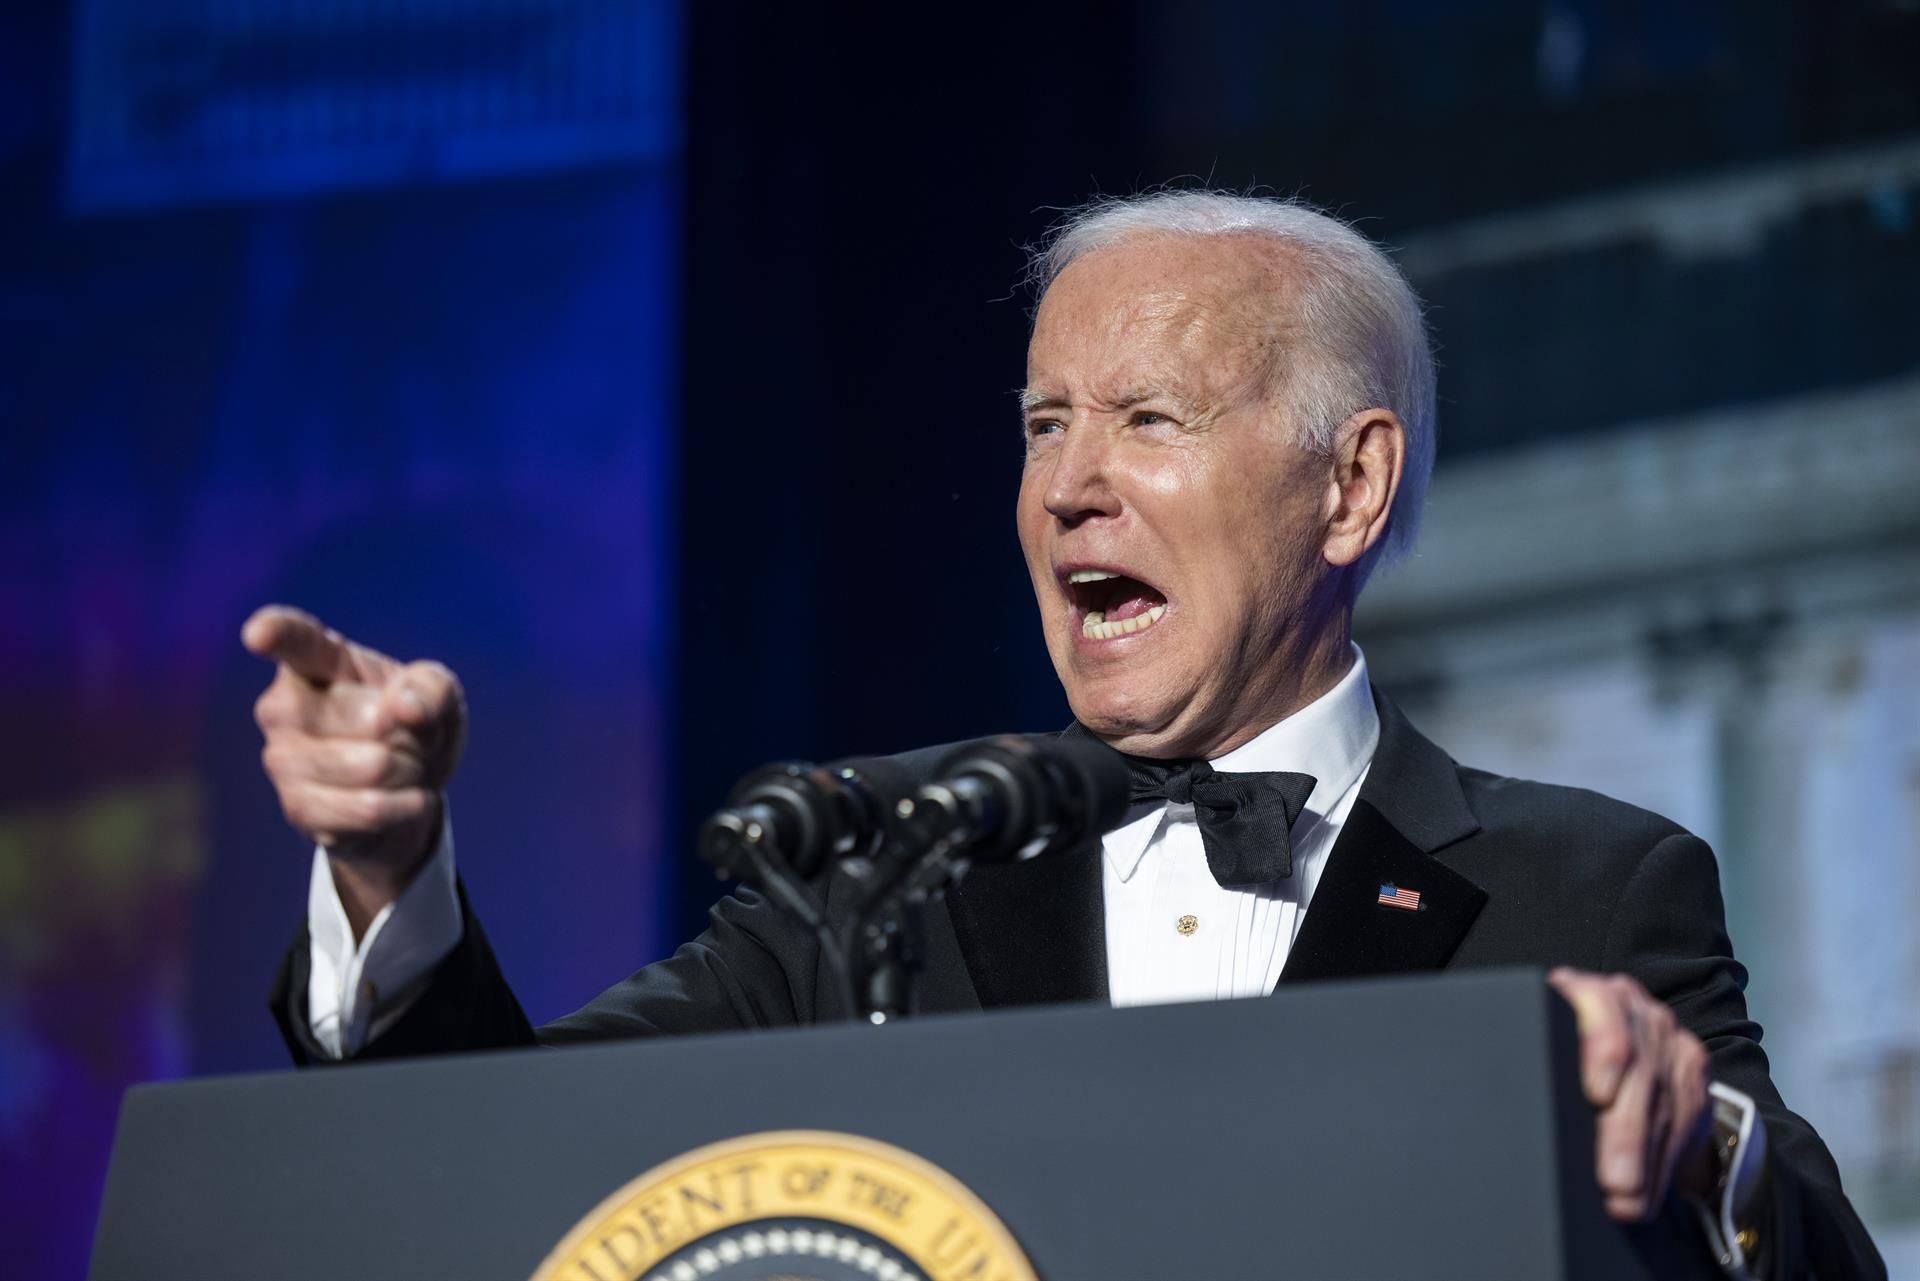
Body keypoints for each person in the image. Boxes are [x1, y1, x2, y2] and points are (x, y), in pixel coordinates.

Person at [244, 191, 1883, 1280]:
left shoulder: (1585, 882)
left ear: (1351, 484)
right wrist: (388, 874)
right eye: (1044, 423)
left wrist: (1694, 1132)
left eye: (1151, 420)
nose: (1068, 484)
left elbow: (1818, 1250)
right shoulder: (887, 879)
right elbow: (495, 1163)